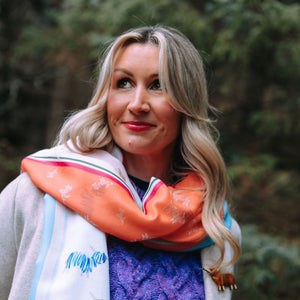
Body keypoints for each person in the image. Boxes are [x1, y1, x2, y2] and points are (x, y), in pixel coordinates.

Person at [0, 25, 241, 300]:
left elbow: (224, 291)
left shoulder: (216, 225)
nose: (137, 104)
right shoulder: (38, 194)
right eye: (123, 83)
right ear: (106, 95)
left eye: (158, 85)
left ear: (187, 103)